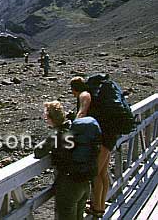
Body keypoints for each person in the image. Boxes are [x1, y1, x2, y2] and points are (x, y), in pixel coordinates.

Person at [35, 101, 91, 220]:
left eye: (46, 117)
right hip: (85, 181)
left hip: (69, 186)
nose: (46, 120)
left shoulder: (56, 135)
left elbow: (39, 151)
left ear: (51, 118)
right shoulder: (75, 128)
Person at [71, 76, 116, 218]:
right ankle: (101, 206)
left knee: (95, 173)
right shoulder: (95, 94)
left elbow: (82, 112)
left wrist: (72, 129)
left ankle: (97, 208)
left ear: (74, 90)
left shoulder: (84, 95)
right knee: (103, 173)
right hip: (109, 136)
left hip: (101, 138)